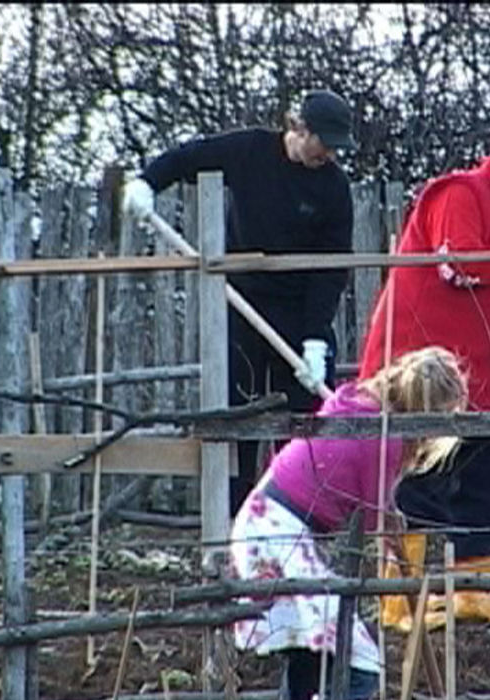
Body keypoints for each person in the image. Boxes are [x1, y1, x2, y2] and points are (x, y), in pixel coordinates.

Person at [226, 346, 467, 700]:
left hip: (265, 520)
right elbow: (376, 519)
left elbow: (370, 503)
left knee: (320, 652)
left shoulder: (360, 402)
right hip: (278, 535)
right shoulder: (384, 435)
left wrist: (388, 516)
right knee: (360, 664)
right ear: (428, 413)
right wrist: (392, 529)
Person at [358, 130, 490, 631]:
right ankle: (398, 598)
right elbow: (458, 264)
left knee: (485, 476)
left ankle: (475, 590)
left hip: (484, 375)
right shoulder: (459, 194)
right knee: (422, 478)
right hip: (427, 368)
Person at [122, 88, 356, 516]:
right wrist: (147, 182)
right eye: (325, 143)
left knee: (305, 425)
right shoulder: (251, 151)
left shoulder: (334, 188)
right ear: (299, 128)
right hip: (241, 304)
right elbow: (188, 158)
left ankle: (299, 523)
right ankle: (234, 527)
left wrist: (316, 341)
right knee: (239, 419)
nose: (330, 154)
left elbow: (331, 269)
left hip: (298, 314)